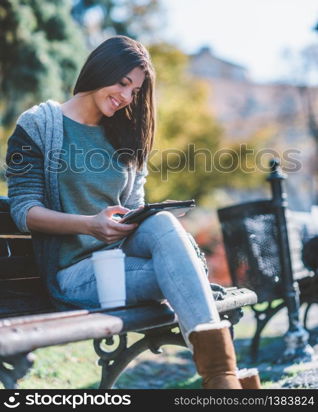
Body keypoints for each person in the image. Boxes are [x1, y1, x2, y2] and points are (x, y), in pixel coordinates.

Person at [5, 35, 251, 389]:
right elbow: (24, 210)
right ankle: (225, 381)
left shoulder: (124, 132)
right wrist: (90, 225)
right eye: (122, 84)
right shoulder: (40, 126)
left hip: (123, 257)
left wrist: (141, 219)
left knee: (162, 220)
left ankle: (221, 379)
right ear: (99, 69)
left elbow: (134, 206)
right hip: (75, 273)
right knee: (184, 274)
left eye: (134, 91)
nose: (126, 98)